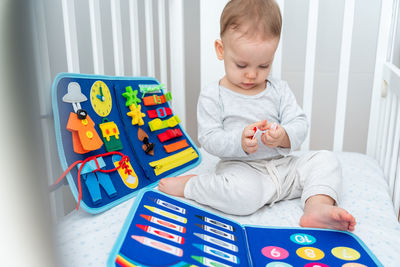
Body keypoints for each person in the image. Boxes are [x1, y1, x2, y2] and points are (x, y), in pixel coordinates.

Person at [159, 0, 356, 231]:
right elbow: (209, 137)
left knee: (325, 159)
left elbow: (299, 123)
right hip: (242, 171)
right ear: (221, 50)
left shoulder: (279, 89)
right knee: (243, 196)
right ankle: (192, 186)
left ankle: (317, 207)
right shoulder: (213, 95)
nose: (252, 74)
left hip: (283, 169)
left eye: (264, 65)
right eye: (241, 65)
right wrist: (239, 141)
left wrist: (283, 135)